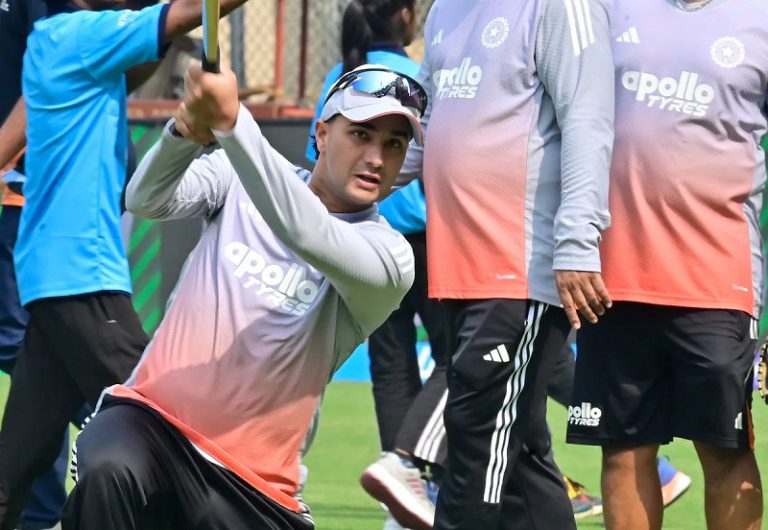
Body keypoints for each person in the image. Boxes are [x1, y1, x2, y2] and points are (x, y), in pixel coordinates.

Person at [62, 63, 421, 529]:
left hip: (256, 488)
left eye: (394, 144)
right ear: (322, 133)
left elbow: (307, 231)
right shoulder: (236, 172)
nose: (376, 157)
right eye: (361, 134)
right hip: (153, 427)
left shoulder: (390, 257)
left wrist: (233, 121)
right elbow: (144, 199)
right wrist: (183, 133)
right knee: (109, 464)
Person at [0, 0, 250, 526]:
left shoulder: (52, 39)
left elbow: (142, 56)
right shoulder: (85, 36)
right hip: (82, 277)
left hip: (49, 277)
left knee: (13, 468)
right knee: (176, 432)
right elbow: (184, 14)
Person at [398, 0, 615, 528]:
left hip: (520, 267)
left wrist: (576, 243)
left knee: (474, 440)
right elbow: (422, 129)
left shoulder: (558, 6)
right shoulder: (445, 10)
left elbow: (588, 121)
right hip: (458, 268)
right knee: (521, 460)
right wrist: (333, 189)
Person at [567, 1, 766, 529]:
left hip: (718, 281)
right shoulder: (608, 9)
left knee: (725, 450)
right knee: (623, 451)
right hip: (612, 278)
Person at [306, 2, 449, 529]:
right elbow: (444, 155)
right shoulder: (418, 75)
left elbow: (315, 159)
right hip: (424, 241)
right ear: (407, 17)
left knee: (391, 365)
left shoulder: (340, 75)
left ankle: (403, 494)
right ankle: (415, 471)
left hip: (361, 240)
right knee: (464, 358)